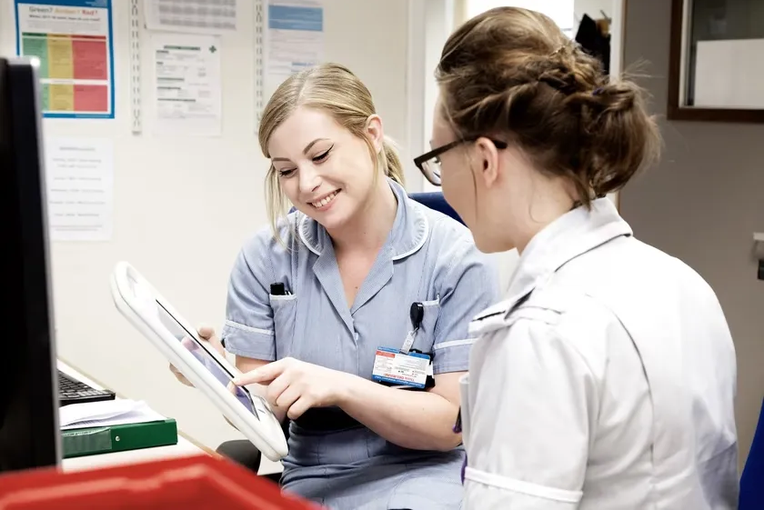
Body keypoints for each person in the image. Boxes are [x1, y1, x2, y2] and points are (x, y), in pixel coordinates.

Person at [414, 6, 739, 509]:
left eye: (437, 159)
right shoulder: (681, 281)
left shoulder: (541, 331)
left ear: (484, 159)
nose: (440, 182)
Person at [172, 62, 500, 510]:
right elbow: (265, 414)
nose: (307, 184)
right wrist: (217, 375)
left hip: (423, 473)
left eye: (321, 155)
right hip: (313, 476)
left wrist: (341, 387)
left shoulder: (456, 257)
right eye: (286, 170)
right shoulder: (264, 257)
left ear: (371, 134)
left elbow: (449, 425)